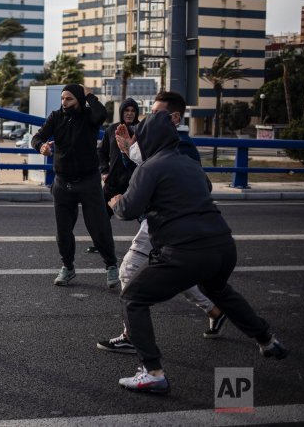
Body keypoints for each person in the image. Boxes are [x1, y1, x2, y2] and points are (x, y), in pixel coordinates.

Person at [109, 110, 289, 394]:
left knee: (133, 297)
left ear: (148, 139)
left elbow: (129, 209)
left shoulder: (149, 168)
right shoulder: (190, 164)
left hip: (185, 251)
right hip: (222, 246)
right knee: (218, 289)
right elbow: (202, 187)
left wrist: (116, 201)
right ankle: (267, 340)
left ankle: (152, 371)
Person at [97, 92, 226, 354]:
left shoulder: (183, 145)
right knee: (175, 270)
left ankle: (133, 337)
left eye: (156, 113)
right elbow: (153, 167)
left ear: (175, 117)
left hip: (170, 218)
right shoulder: (159, 139)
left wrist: (121, 201)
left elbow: (173, 176)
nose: (148, 118)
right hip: (161, 219)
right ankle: (215, 310)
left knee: (129, 270)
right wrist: (129, 148)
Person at [31, 84, 119, 288]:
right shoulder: (55, 117)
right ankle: (68, 267)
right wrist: (41, 146)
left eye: (69, 99)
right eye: (62, 98)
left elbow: (101, 115)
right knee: (63, 231)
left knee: (98, 227)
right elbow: (38, 136)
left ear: (79, 99)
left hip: (88, 182)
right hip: (62, 183)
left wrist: (89, 95)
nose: (64, 102)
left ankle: (111, 266)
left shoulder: (89, 116)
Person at [84, 98, 140, 255]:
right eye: (126, 111)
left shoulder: (141, 130)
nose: (129, 114)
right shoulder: (112, 129)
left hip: (134, 180)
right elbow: (101, 153)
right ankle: (100, 243)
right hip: (113, 180)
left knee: (142, 214)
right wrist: (104, 171)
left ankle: (150, 243)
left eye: (132, 111)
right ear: (121, 112)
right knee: (102, 214)